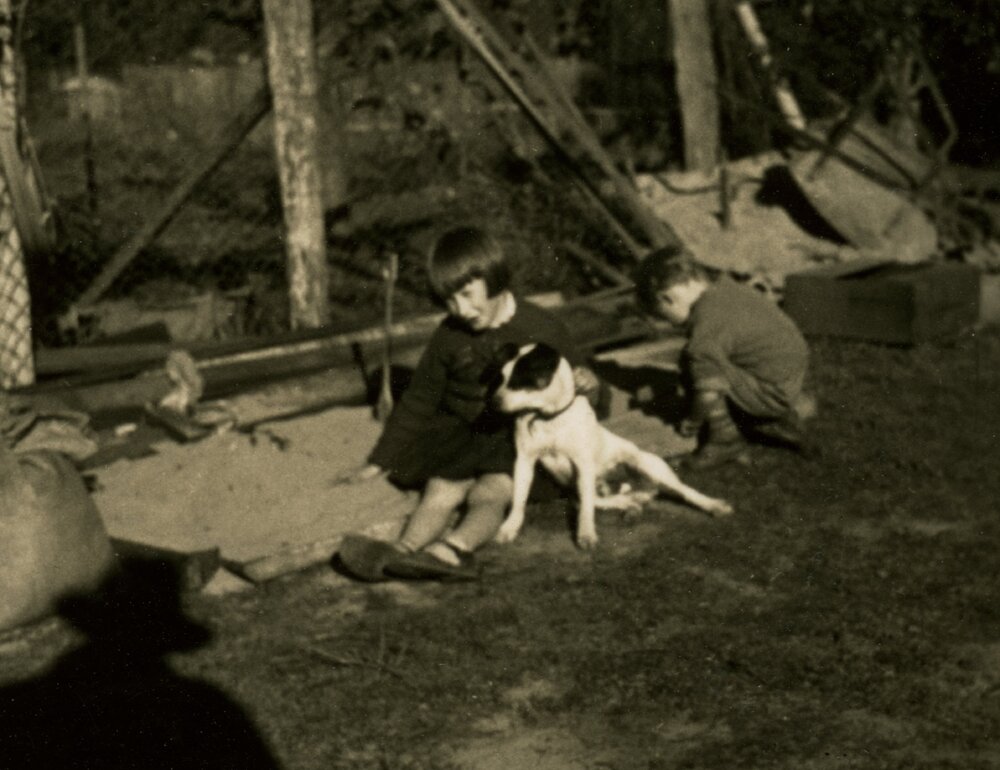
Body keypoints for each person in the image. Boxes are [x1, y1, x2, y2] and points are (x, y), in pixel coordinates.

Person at [346, 226, 595, 576]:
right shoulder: (449, 335)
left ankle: (453, 550)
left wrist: (589, 384)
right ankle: (401, 553)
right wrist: (380, 460)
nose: (460, 309)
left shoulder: (541, 326)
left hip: (512, 437)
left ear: (493, 278)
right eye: (449, 301)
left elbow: (576, 381)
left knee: (491, 493)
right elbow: (420, 399)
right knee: (440, 489)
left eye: (466, 294)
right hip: (460, 432)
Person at [634, 245, 815, 469]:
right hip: (788, 376)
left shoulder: (706, 325)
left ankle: (724, 440)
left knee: (697, 363)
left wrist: (693, 420)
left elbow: (708, 393)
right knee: (706, 358)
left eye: (664, 317)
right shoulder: (726, 288)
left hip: (771, 392)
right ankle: (774, 417)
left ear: (667, 299)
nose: (670, 324)